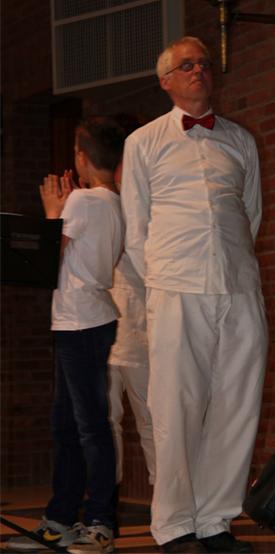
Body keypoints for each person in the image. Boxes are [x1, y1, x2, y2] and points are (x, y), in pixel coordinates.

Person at [121, 37, 268, 554]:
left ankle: (216, 520)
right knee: (176, 404)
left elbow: (250, 213)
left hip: (238, 284)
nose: (198, 70)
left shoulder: (240, 140)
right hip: (175, 285)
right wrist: (162, 282)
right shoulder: (143, 142)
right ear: (166, 80)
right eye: (187, 65)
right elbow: (135, 226)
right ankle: (174, 525)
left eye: (204, 63)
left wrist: (231, 264)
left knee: (237, 403)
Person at [7, 116, 125, 554]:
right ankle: (60, 520)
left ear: (81, 156)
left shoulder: (82, 202)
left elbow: (44, 261)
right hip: (85, 319)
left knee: (89, 427)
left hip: (81, 322)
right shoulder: (112, 201)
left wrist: (52, 214)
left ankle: (99, 522)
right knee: (68, 425)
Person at [108, 162, 156, 499]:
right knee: (104, 420)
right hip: (102, 328)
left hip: (139, 331)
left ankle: (166, 500)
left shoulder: (153, 213)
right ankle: (104, 500)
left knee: (151, 420)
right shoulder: (105, 207)